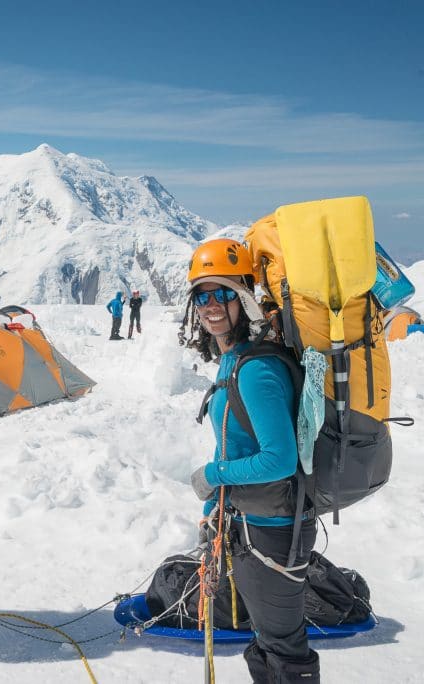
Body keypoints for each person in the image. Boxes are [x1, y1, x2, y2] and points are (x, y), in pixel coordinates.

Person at [184, 239, 320, 683]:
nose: (211, 305)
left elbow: (278, 459)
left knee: (283, 649)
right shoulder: (233, 360)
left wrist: (212, 476)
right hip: (251, 525)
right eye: (202, 295)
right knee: (267, 641)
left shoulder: (256, 369)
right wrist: (214, 508)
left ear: (243, 296)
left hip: (273, 531)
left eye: (223, 292)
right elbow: (233, 443)